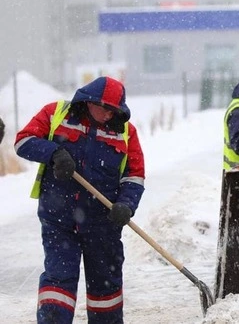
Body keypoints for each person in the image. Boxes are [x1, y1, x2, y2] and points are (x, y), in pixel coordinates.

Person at [14, 76, 145, 324]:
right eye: (105, 109)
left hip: (103, 223)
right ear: (90, 101)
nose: (109, 115)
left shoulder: (126, 133)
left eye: (114, 111)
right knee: (58, 281)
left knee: (105, 289)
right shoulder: (56, 114)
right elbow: (23, 141)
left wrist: (126, 205)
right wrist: (54, 153)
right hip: (59, 218)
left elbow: (134, 176)